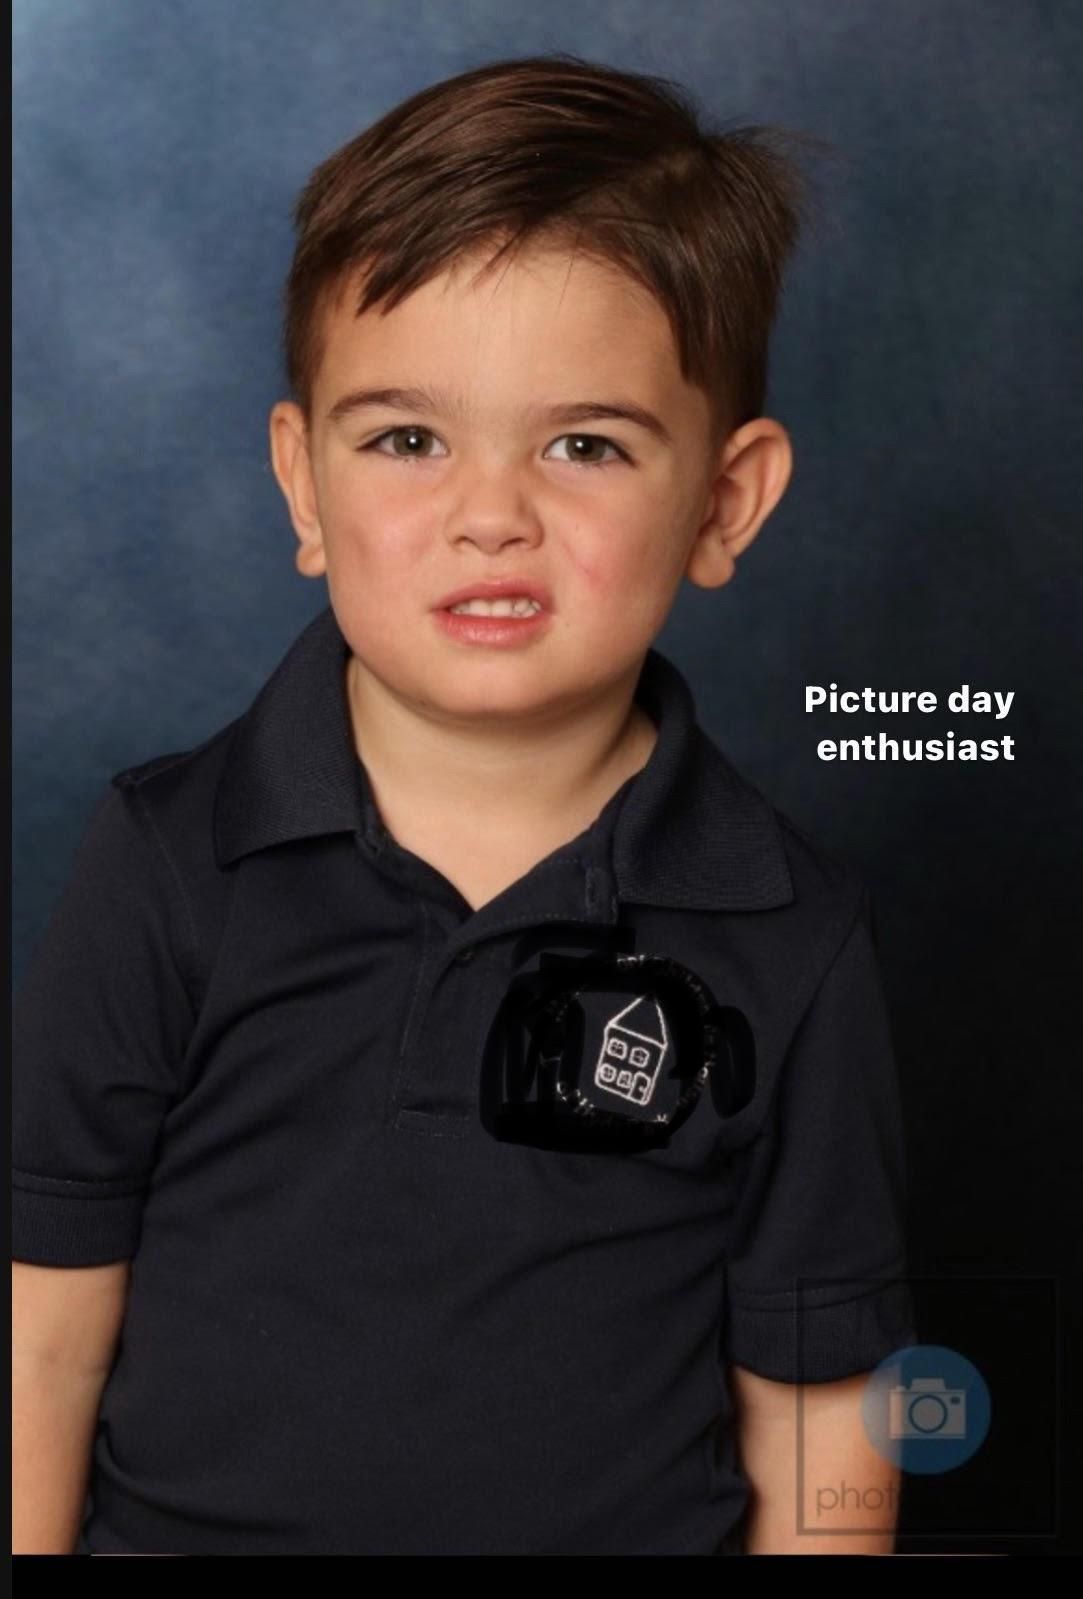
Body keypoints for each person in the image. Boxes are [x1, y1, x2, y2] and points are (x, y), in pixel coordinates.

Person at [12, 53, 918, 1556]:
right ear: (304, 487)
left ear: (723, 502)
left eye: (582, 443)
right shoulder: (172, 857)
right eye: (407, 438)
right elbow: (43, 1324)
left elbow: (827, 1402)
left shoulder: (788, 927)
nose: (490, 511)